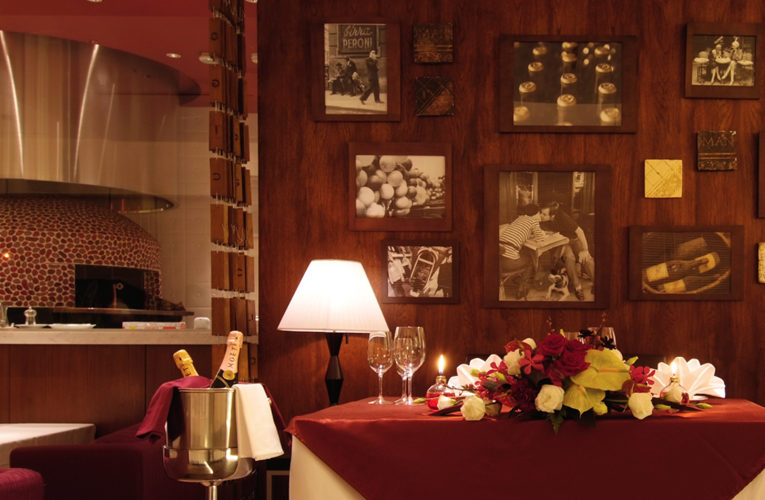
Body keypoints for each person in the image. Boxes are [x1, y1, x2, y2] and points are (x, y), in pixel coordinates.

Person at [539, 201, 594, 301]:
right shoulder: (542, 219)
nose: (541, 215)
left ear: (552, 216)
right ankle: (578, 288)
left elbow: (580, 232)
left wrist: (585, 250)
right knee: (569, 258)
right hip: (563, 242)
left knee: (586, 258)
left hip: (575, 239)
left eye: (544, 214)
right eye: (541, 213)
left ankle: (598, 283)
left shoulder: (563, 217)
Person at [499, 203, 546, 299]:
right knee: (531, 259)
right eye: (540, 213)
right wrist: (543, 233)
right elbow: (540, 239)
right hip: (508, 263)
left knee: (523, 252)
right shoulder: (534, 221)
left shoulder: (519, 218)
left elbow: (520, 232)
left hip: (498, 258)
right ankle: (521, 290)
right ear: (537, 213)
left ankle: (517, 279)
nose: (540, 215)